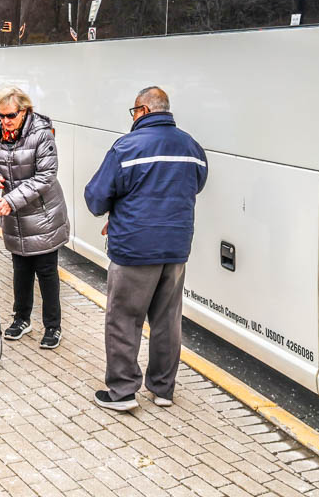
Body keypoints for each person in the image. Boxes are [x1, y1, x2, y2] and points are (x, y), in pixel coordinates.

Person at [84, 86, 207, 411]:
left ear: (144, 111)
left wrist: (119, 211)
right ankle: (163, 389)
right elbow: (197, 184)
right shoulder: (190, 146)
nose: (132, 118)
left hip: (134, 249)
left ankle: (123, 392)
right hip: (176, 249)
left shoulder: (127, 147)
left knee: (124, 319)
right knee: (168, 320)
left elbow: (96, 198)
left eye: (133, 112)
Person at [0, 86, 70, 350]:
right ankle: (22, 319)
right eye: (1, 115)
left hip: (42, 215)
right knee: (20, 270)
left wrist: (11, 200)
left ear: (24, 110)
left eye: (10, 115)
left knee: (46, 272)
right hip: (15, 215)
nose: (4, 121)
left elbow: (46, 177)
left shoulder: (41, 134)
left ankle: (53, 326)